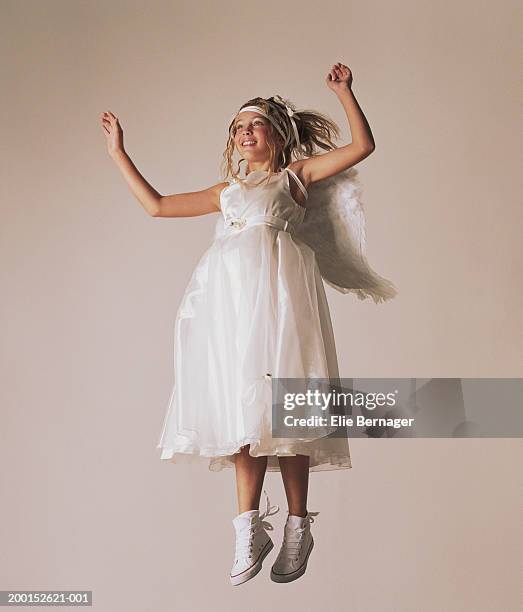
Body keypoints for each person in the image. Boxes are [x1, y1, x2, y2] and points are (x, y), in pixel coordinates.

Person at [100, 62, 396, 585]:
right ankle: (248, 527)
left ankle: (298, 525)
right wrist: (119, 153)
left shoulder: (294, 178)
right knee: (243, 412)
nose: (243, 133)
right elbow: (158, 206)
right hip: (228, 305)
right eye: (237, 128)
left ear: (277, 137)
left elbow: (361, 147)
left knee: (286, 409)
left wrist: (344, 92)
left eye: (253, 125)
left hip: (281, 300)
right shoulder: (225, 192)